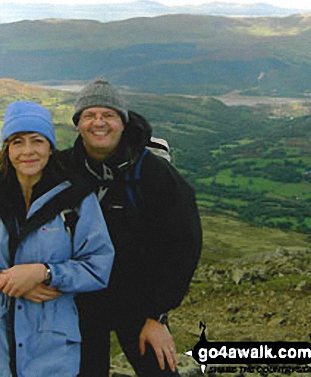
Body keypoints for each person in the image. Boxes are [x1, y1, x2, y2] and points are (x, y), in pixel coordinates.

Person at [0, 100, 115, 377]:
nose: (28, 151)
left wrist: (45, 273)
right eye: (17, 142)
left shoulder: (76, 199)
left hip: (51, 354)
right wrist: (3, 280)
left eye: (37, 140)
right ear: (7, 149)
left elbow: (98, 266)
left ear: (49, 146)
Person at [58, 79, 203, 377]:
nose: (99, 122)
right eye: (89, 115)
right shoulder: (63, 168)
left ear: (123, 123)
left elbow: (185, 244)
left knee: (160, 371)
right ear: (78, 125)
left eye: (108, 115)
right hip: (82, 301)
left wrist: (157, 316)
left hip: (139, 302)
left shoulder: (152, 173)